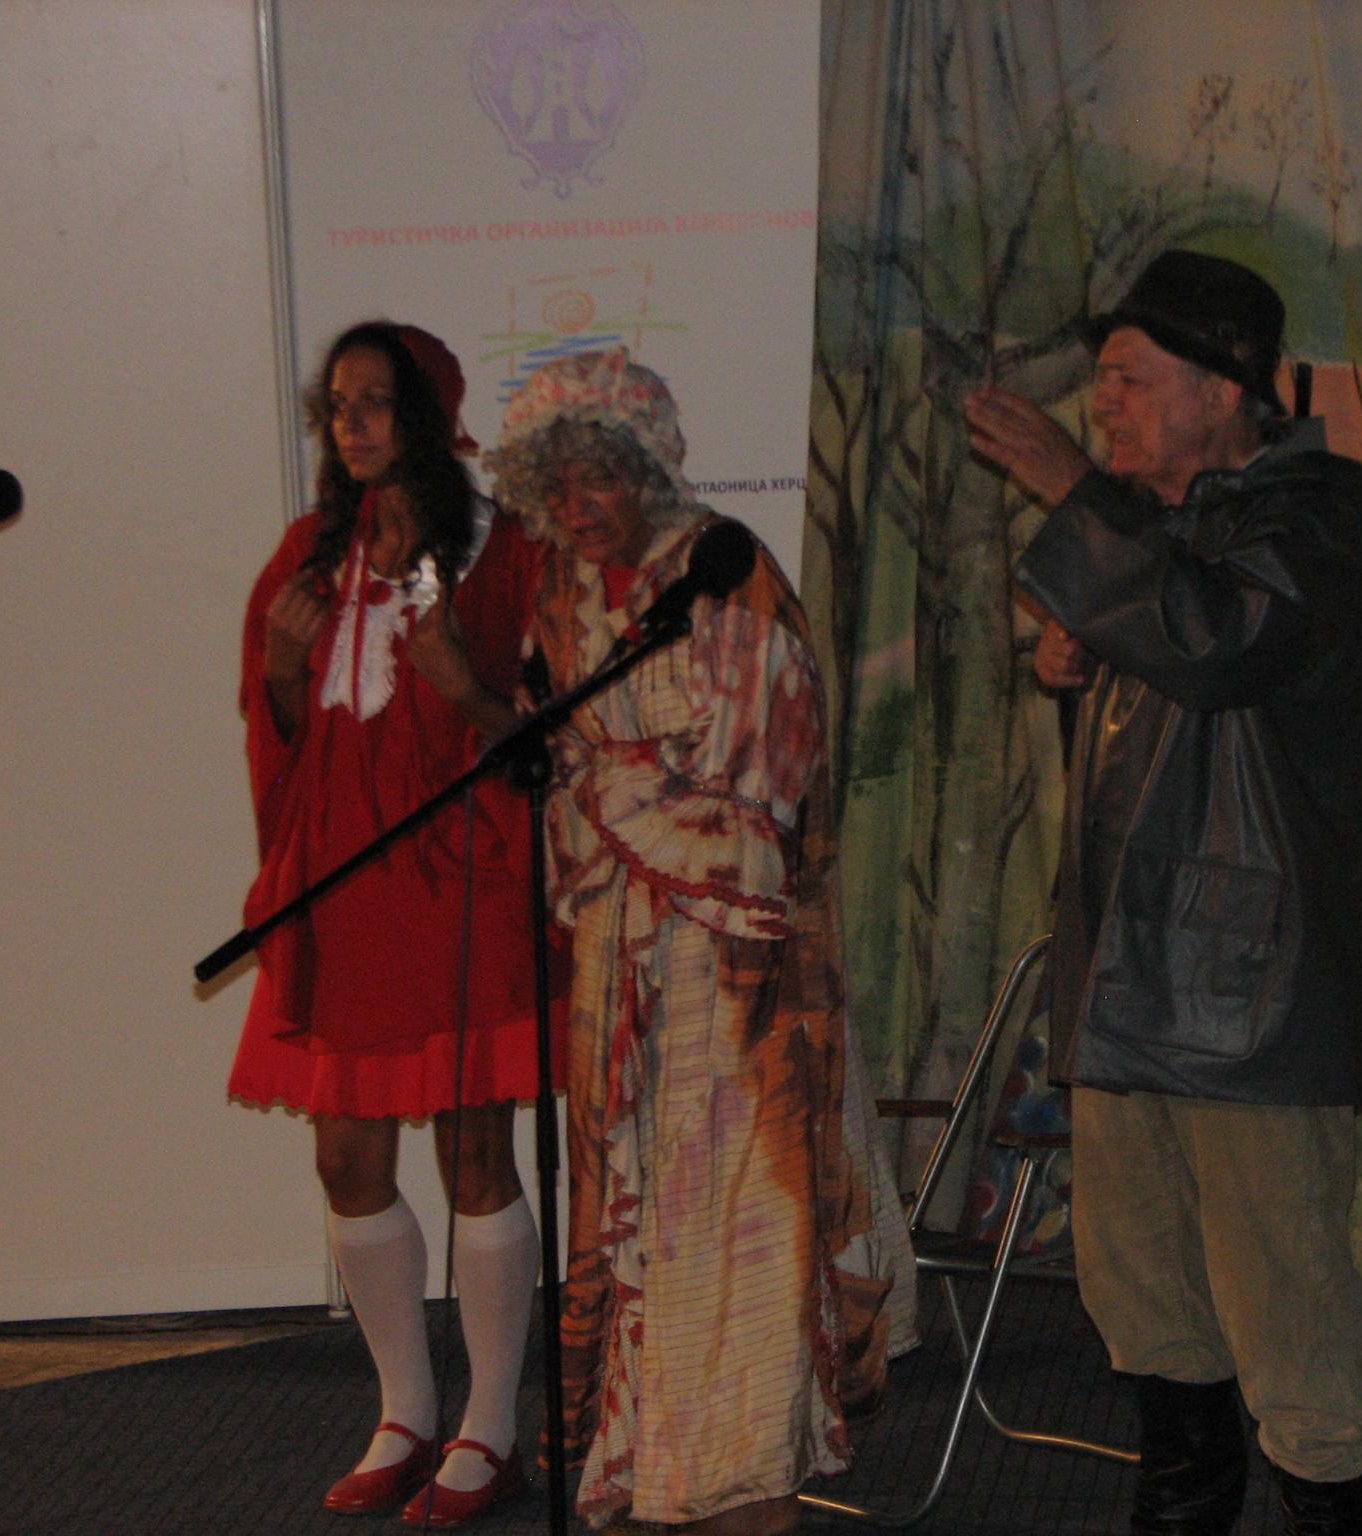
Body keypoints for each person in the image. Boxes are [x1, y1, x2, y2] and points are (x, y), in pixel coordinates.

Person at [965, 251, 1362, 1536]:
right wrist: (1076, 665)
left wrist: (1074, 496)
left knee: (1285, 1302)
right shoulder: (1162, 531)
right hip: (1127, 974)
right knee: (1143, 1292)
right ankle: (1181, 1503)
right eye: (1099, 382)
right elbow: (1161, 735)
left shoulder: (1301, 524)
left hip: (1248, 993)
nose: (1102, 405)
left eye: (1130, 380)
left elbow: (1219, 645)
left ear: (1222, 390)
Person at [487, 347, 914, 1535]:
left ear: (648, 466)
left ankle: (741, 1478)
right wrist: (605, 787)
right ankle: (650, 1465)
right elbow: (549, 752)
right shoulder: (560, 593)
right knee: (633, 1220)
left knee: (731, 1226)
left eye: (599, 477)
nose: (579, 505)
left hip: (730, 969)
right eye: (556, 484)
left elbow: (762, 784)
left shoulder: (729, 574)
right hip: (612, 957)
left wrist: (607, 784)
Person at [227, 320, 557, 1528]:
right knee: (346, 1161)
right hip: (343, 887)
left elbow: (542, 736)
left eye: (373, 400)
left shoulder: (503, 550)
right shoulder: (306, 558)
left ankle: (490, 1425)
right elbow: (276, 729)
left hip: (460, 880)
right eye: (337, 405)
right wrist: (279, 671)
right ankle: (405, 1410)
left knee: (475, 1158)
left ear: (426, 412)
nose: (351, 423)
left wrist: (465, 687)